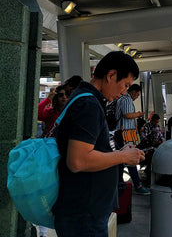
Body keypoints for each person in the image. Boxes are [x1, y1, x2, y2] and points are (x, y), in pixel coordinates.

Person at [53, 51, 145, 237]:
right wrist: (123, 156)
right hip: (84, 213)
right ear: (111, 75)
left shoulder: (85, 98)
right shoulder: (89, 104)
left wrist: (119, 152)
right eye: (125, 85)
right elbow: (78, 160)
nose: (124, 93)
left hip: (83, 211)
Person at [115, 84, 150, 195]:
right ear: (133, 92)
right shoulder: (126, 99)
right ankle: (137, 185)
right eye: (138, 94)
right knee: (130, 159)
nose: (137, 97)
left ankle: (122, 184)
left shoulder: (124, 98)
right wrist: (138, 114)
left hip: (127, 132)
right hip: (125, 132)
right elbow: (127, 115)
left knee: (124, 159)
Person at [138, 114, 165, 187]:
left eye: (157, 122)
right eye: (155, 122)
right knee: (151, 159)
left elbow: (161, 136)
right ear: (152, 120)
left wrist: (162, 142)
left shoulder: (157, 127)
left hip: (156, 146)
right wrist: (154, 142)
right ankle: (149, 180)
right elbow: (145, 139)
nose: (156, 123)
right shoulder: (147, 127)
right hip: (149, 148)